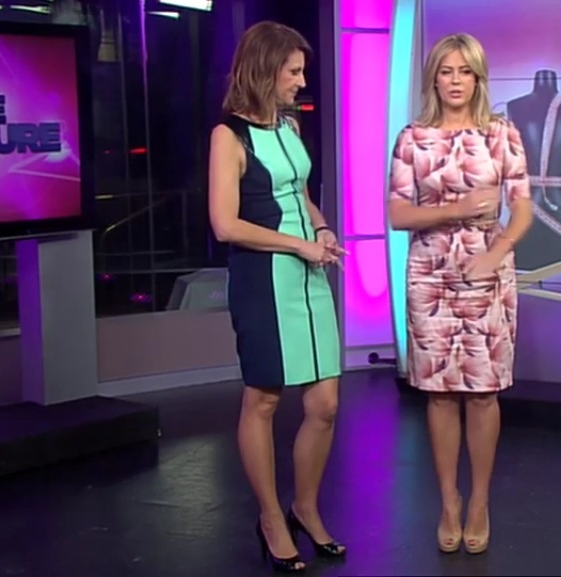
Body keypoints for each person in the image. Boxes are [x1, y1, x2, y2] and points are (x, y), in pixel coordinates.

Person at [386, 33, 534, 555]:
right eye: (446, 71)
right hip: (430, 275)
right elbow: (397, 214)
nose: (455, 81)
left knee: (483, 392)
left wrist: (498, 251)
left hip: (488, 272)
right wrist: (456, 209)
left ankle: (479, 502)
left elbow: (522, 208)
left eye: (464, 71)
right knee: (440, 393)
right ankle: (449, 500)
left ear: (478, 78)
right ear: (434, 78)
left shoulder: (501, 133)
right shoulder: (412, 137)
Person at [208, 21, 346, 573]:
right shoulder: (229, 136)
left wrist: (322, 229)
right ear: (266, 70)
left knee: (325, 404)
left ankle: (304, 508)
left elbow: (299, 194)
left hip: (308, 274)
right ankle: (270, 519)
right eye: (293, 71)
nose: (301, 81)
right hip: (263, 280)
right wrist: (297, 244)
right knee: (263, 401)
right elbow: (225, 224)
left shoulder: (289, 125)